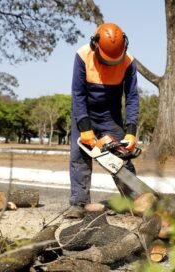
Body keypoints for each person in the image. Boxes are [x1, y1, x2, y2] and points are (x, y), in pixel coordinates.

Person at [65, 23, 139, 219]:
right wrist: (84, 126)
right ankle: (79, 202)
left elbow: (132, 97)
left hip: (110, 115)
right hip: (85, 112)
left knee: (121, 157)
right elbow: (78, 94)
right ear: (95, 45)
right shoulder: (82, 55)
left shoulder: (129, 61)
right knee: (79, 157)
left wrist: (131, 130)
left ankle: (134, 200)